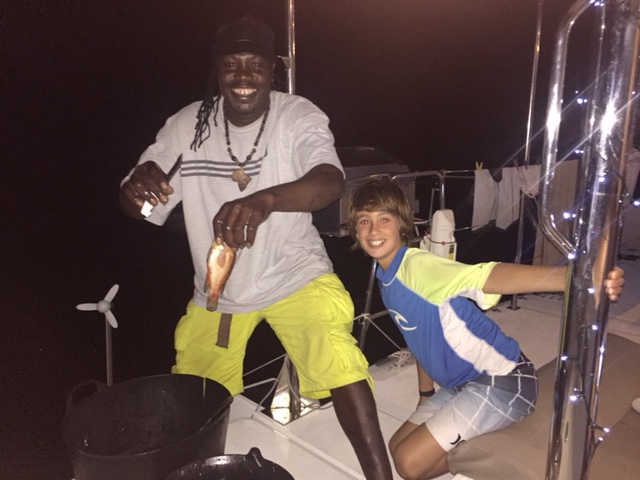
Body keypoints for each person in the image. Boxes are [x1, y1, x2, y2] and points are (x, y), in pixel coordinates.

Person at [118, 16, 392, 480]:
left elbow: (330, 181)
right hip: (220, 290)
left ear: (272, 70)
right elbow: (139, 207)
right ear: (217, 70)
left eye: (255, 64)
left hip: (295, 273)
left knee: (336, 355)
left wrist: (265, 200)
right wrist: (133, 190)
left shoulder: (297, 115)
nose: (243, 76)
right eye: (231, 64)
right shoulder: (187, 126)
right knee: (194, 395)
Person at [346, 178, 625, 480]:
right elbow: (417, 339)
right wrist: (426, 394)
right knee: (396, 445)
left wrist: (579, 278)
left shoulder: (417, 267)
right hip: (460, 384)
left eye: (384, 219)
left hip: (503, 380)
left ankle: (487, 454)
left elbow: (487, 276)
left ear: (402, 224)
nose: (373, 230)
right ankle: (469, 434)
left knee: (409, 465)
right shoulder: (387, 278)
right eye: (364, 221)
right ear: (355, 230)